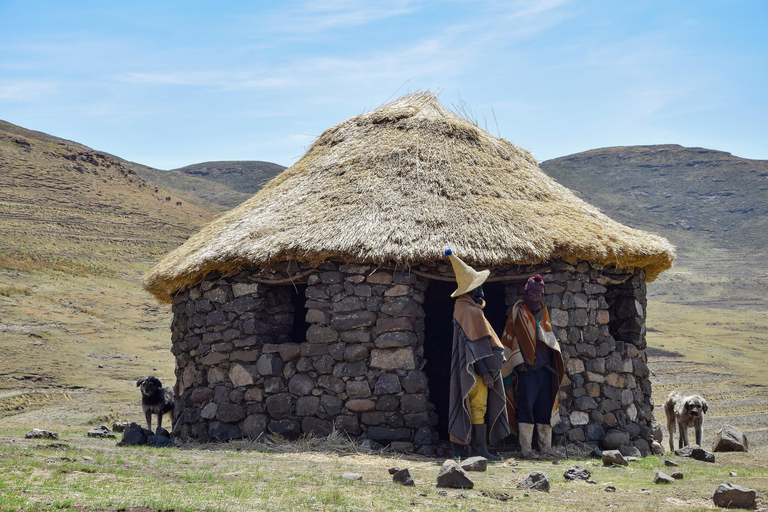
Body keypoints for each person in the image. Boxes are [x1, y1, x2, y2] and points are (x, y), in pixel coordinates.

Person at [445, 249, 509, 461]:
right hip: (474, 369)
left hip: (464, 366)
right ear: (473, 289)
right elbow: (476, 345)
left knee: (463, 403)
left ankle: (461, 449)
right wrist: (486, 372)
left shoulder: (461, 307)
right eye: (478, 285)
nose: (482, 289)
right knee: (478, 406)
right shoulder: (471, 312)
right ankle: (479, 449)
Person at [501, 274, 565, 459]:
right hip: (527, 370)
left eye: (539, 295)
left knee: (545, 406)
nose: (535, 299)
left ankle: (545, 448)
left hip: (545, 369)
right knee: (526, 406)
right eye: (532, 295)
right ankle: (526, 450)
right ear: (526, 293)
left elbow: (549, 337)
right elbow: (509, 338)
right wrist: (518, 362)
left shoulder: (543, 313)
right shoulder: (517, 313)